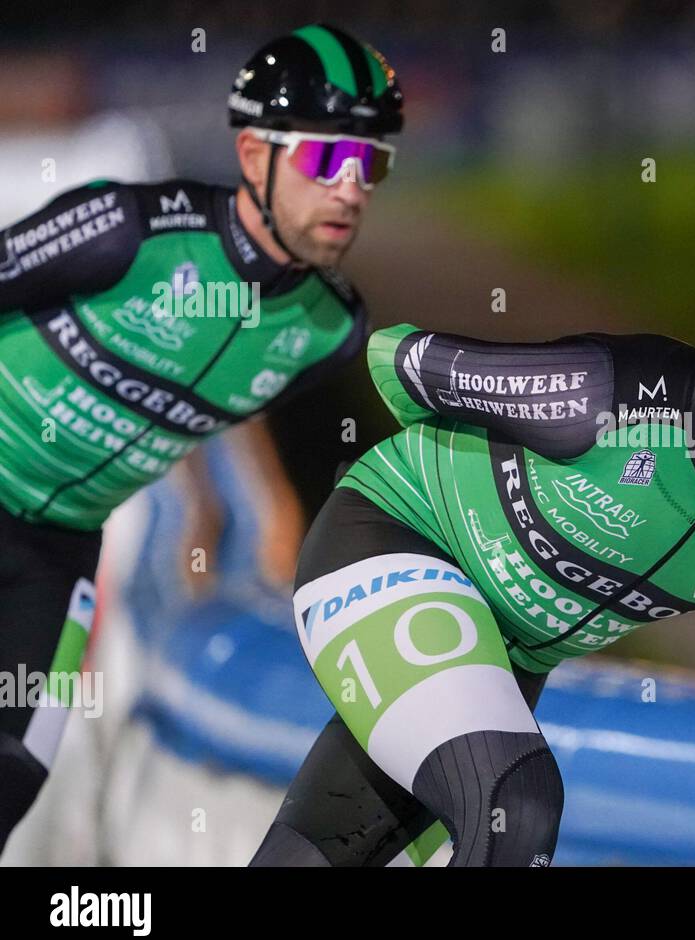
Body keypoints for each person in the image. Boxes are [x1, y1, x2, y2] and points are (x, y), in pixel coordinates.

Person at [250, 266, 695, 867]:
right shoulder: (602, 399)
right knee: (516, 803)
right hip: (397, 538)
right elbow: (393, 360)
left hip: (507, 653)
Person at [0, 22, 404, 854]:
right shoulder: (129, 229)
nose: (352, 187)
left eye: (373, 162)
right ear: (255, 156)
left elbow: (219, 397)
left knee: (16, 770)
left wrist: (261, 507)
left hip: (59, 546)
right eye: (328, 159)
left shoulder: (330, 326)